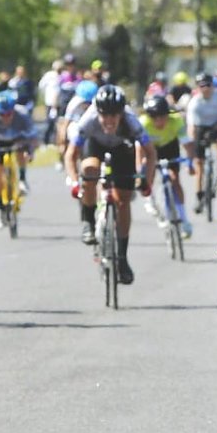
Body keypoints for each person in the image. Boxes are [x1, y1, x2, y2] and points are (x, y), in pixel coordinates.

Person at [64, 84, 155, 284]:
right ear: (97, 111)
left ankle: (122, 257)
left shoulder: (132, 122)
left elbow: (150, 152)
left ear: (122, 113)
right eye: (104, 115)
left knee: (123, 200)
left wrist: (147, 181)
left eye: (114, 115)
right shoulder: (88, 120)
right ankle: (88, 221)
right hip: (95, 146)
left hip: (123, 149)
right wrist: (74, 182)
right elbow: (70, 155)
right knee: (89, 171)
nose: (109, 120)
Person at [139, 93, 195, 238]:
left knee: (175, 179)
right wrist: (140, 170)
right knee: (148, 171)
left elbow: (187, 144)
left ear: (168, 114)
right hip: (151, 149)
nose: (159, 121)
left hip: (170, 148)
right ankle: (149, 199)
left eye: (162, 116)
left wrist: (190, 162)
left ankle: (184, 218)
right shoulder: (143, 123)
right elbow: (139, 150)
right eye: (154, 117)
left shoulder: (176, 121)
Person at [0, 89, 38, 226]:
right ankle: (0, 208)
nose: (6, 117)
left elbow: (33, 135)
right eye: (2, 114)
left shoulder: (22, 113)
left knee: (21, 151)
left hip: (17, 138)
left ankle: (23, 179)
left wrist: (30, 152)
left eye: (9, 113)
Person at [186, 72, 217, 205]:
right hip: (200, 128)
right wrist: (193, 144)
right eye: (202, 86)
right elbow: (191, 126)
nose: (205, 88)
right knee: (199, 164)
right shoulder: (194, 102)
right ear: (198, 88)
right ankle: (199, 194)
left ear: (212, 85)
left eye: (208, 85)